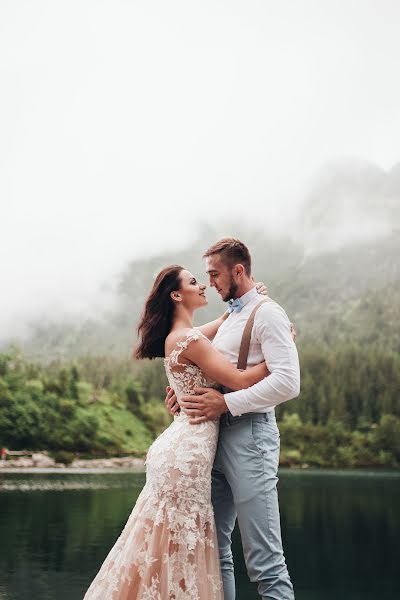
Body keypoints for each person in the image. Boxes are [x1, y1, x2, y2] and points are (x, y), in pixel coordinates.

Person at [83, 265, 269, 600]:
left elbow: (223, 323)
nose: (203, 287)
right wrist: (279, 356)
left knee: (163, 542)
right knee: (182, 546)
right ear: (176, 294)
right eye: (194, 282)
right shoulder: (189, 339)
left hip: (179, 444)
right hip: (189, 450)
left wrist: (250, 300)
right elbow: (239, 380)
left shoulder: (182, 336)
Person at [165, 238, 300, 600]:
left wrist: (227, 405)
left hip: (250, 435)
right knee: (216, 549)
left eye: (214, 274)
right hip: (211, 439)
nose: (210, 283)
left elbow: (288, 382)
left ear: (238, 270)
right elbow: (211, 369)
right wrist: (182, 391)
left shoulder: (268, 313)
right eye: (204, 277)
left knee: (265, 561)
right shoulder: (231, 317)